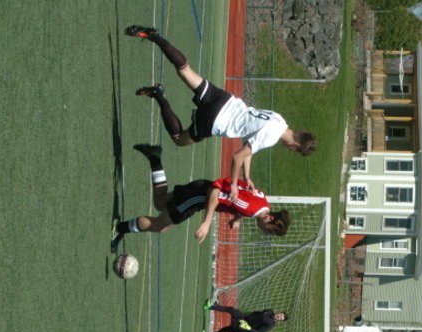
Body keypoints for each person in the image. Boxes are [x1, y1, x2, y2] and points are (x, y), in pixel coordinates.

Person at [125, 25, 316, 201]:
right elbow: (238, 156)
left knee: (185, 70)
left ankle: (155, 37)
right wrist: (233, 185)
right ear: (296, 144)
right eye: (294, 150)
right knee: (180, 140)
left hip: (224, 100)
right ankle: (158, 95)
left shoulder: (279, 120)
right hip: (216, 120)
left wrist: (246, 176)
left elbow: (249, 147)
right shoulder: (272, 137)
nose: (290, 149)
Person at [110, 144, 290, 252]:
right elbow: (216, 193)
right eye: (269, 230)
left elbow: (242, 202)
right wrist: (206, 223)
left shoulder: (262, 202)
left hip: (200, 187)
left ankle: (154, 158)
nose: (266, 232)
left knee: (160, 202)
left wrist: (237, 218)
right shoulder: (251, 208)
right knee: (159, 225)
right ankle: (119, 228)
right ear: (270, 218)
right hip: (198, 196)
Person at [202, 299, 288, 332]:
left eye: (281, 318)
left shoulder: (270, 325)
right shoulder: (270, 311)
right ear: (279, 312)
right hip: (244, 317)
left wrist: (248, 328)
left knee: (225, 329)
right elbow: (258, 313)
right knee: (231, 310)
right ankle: (209, 307)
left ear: (280, 321)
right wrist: (246, 315)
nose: (279, 316)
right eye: (280, 315)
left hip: (244, 328)